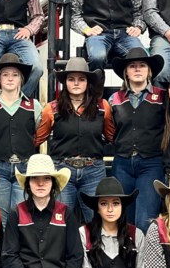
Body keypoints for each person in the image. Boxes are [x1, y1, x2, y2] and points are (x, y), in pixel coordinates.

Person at [35, 57, 112, 223]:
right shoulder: (52, 109)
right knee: (61, 221)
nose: (76, 83)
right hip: (63, 170)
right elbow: (38, 138)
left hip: (94, 170)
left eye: (81, 79)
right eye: (71, 79)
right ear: (65, 82)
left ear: (88, 82)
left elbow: (112, 136)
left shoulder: (102, 107)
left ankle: (94, 250)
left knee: (96, 222)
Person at [0, 54, 42, 225]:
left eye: (14, 74)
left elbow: (40, 132)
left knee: (22, 217)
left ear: (21, 79)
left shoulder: (33, 105)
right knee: (1, 218)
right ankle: (5, 253)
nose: (10, 78)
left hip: (25, 167)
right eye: (5, 74)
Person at [108, 47, 167, 231]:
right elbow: (109, 130)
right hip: (122, 164)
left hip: (151, 163)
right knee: (124, 221)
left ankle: (146, 260)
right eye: (132, 66)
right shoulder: (114, 99)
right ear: (126, 71)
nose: (137, 69)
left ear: (149, 71)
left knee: (145, 221)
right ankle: (127, 259)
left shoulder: (163, 97)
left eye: (142, 65)